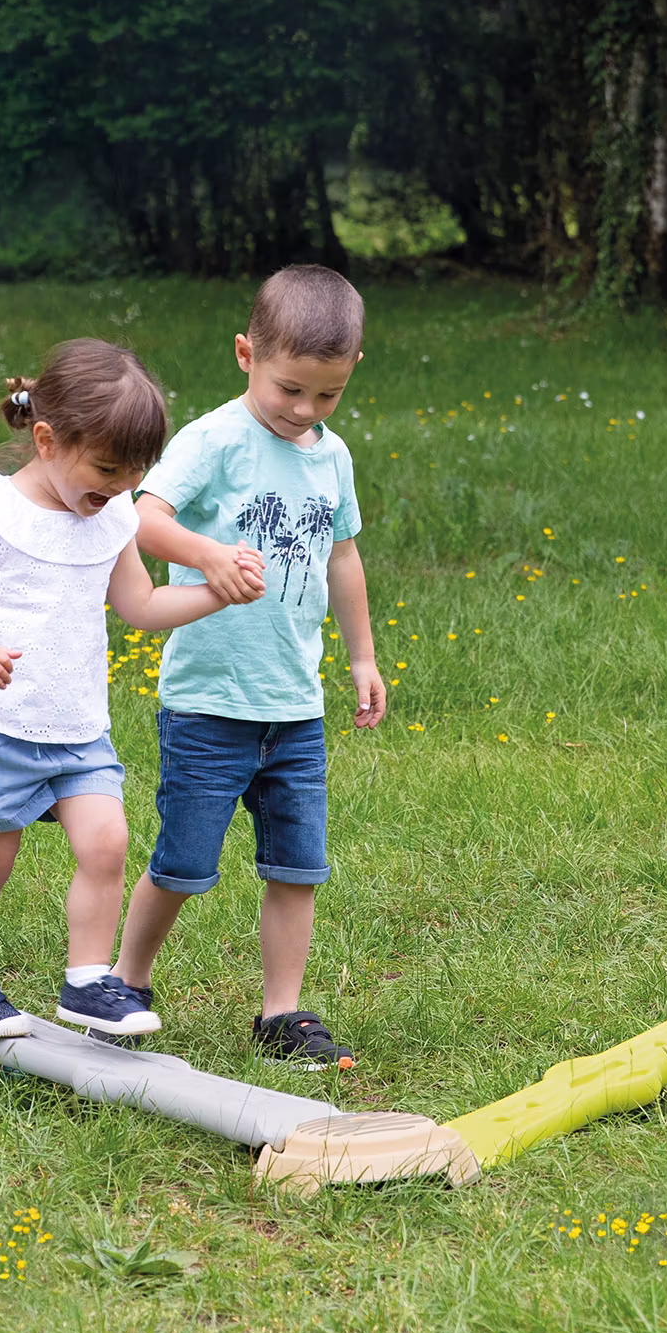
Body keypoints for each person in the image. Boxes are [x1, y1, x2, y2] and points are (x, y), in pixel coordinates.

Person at [0, 338, 263, 1045]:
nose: (121, 485)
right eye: (107, 469)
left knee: (107, 843)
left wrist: (215, 594)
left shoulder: (113, 518)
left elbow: (141, 606)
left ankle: (88, 981)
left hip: (77, 730)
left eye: (135, 472)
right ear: (47, 441)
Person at [113, 265, 385, 1070]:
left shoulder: (332, 457)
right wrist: (206, 556)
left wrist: (362, 657)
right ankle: (123, 985)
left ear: (352, 371)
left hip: (294, 707)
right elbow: (144, 519)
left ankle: (282, 1014)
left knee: (298, 867)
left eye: (328, 394)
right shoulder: (214, 440)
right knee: (182, 864)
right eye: (289, 388)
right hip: (209, 702)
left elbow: (343, 558)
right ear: (246, 355)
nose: (304, 410)